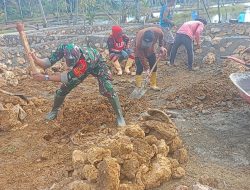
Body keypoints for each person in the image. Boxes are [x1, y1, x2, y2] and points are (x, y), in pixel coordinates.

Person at [30, 43, 126, 127]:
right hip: (79, 66)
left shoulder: (85, 61)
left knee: (107, 88)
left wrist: (45, 78)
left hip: (97, 65)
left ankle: (119, 116)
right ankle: (54, 111)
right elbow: (47, 63)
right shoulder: (64, 48)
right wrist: (36, 59)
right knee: (63, 89)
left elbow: (67, 77)